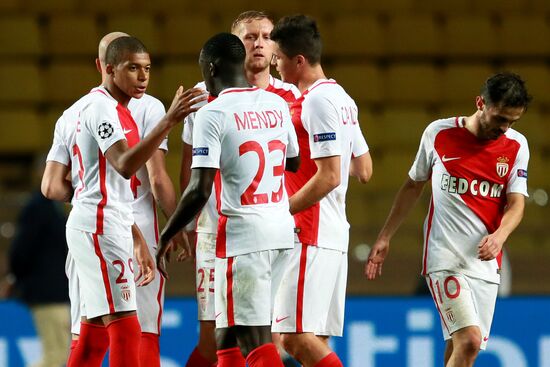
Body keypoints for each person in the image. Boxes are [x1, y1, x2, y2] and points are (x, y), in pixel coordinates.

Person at [43, 36, 203, 367]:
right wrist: (168, 121)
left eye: (146, 69)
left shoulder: (100, 111)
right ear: (109, 68)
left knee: (91, 336)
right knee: (129, 328)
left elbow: (52, 186)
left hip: (106, 224)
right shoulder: (102, 108)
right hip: (102, 226)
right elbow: (126, 165)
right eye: (133, 68)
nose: (142, 77)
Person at [365, 72, 531, 367]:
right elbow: (413, 185)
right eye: (500, 118)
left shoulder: (516, 146)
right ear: (480, 103)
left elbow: (516, 204)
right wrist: (385, 236)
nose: (504, 128)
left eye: (512, 122)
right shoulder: (438, 134)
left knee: (461, 348)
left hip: (484, 264)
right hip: (445, 258)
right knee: (469, 340)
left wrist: (499, 236)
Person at [158, 32, 300, 367]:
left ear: (211, 68)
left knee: (255, 340)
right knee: (226, 333)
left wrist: (166, 235)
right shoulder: (276, 104)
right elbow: (292, 160)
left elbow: (199, 189)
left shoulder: (213, 112)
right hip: (280, 231)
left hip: (244, 237)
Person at [269, 14, 372, 367]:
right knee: (312, 337)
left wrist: (281, 210)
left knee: (293, 337)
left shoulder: (314, 102)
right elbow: (364, 169)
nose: (274, 63)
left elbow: (329, 176)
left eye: (279, 57)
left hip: (308, 230)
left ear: (298, 61)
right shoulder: (341, 98)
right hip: (332, 230)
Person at [3, 156, 70, 367]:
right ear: (45, 171)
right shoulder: (38, 207)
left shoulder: (57, 207)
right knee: (57, 355)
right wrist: (14, 276)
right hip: (47, 294)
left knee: (64, 355)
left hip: (59, 293)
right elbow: (21, 249)